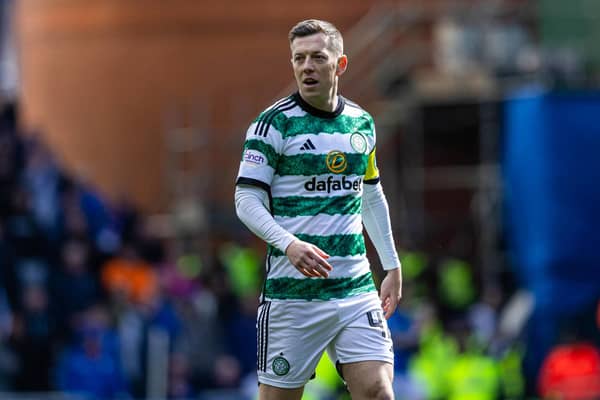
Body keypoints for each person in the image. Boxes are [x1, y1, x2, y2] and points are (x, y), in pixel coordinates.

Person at [235, 19, 402, 400]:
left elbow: (371, 195)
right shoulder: (272, 125)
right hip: (294, 296)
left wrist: (391, 264)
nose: (307, 66)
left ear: (340, 65)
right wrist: (289, 244)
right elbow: (245, 200)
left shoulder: (361, 123)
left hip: (355, 287)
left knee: (378, 391)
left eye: (317, 57)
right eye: (299, 58)